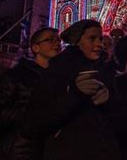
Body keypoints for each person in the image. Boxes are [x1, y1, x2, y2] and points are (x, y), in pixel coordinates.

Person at [22, 19, 121, 160]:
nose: (99, 44)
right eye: (92, 39)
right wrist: (74, 94)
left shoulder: (107, 70)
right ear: (76, 41)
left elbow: (120, 119)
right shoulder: (56, 71)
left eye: (100, 38)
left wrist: (109, 99)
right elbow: (32, 124)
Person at [0, 27, 61, 160]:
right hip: (17, 154)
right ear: (36, 48)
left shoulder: (59, 78)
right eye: (50, 40)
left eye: (58, 40)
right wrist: (26, 112)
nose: (57, 43)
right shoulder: (15, 76)